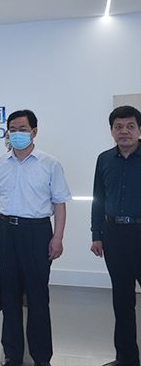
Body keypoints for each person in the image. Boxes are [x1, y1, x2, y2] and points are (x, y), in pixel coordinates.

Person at [0, 110, 70, 366]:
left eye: (22, 129)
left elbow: (59, 203)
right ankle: (12, 354)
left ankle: (41, 357)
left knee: (37, 295)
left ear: (34, 132)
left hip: (36, 232)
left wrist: (57, 237)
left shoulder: (50, 164)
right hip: (5, 230)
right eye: (12, 129)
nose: (17, 134)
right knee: (9, 294)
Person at [91, 105, 141, 366]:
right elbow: (98, 199)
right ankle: (126, 358)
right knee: (122, 301)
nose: (124, 131)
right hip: (113, 235)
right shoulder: (104, 160)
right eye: (118, 127)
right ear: (111, 131)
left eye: (130, 126)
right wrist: (96, 235)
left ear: (139, 129)